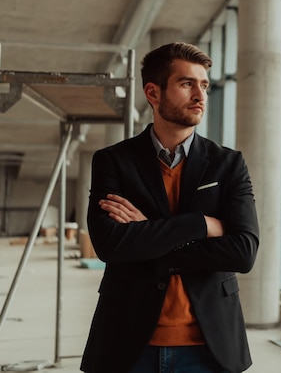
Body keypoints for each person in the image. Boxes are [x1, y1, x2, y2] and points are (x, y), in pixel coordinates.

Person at [80, 42, 260, 373]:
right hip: (128, 343)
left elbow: (243, 252)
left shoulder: (228, 164)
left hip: (210, 347)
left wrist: (148, 233)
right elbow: (109, 245)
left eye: (203, 84)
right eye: (186, 83)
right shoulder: (113, 161)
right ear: (153, 92)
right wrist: (201, 224)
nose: (200, 95)